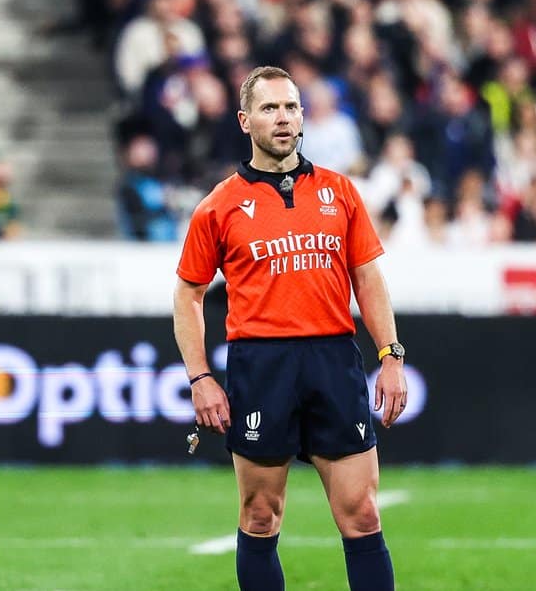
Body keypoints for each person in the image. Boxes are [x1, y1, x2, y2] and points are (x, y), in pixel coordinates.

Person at [174, 66, 406, 591]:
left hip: (333, 360)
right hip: (261, 364)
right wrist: (200, 378)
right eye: (270, 108)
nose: (284, 119)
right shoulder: (218, 206)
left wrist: (391, 355)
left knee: (363, 513)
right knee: (260, 516)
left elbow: (367, 279)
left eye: (292, 107)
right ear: (244, 120)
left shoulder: (339, 191)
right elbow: (187, 296)